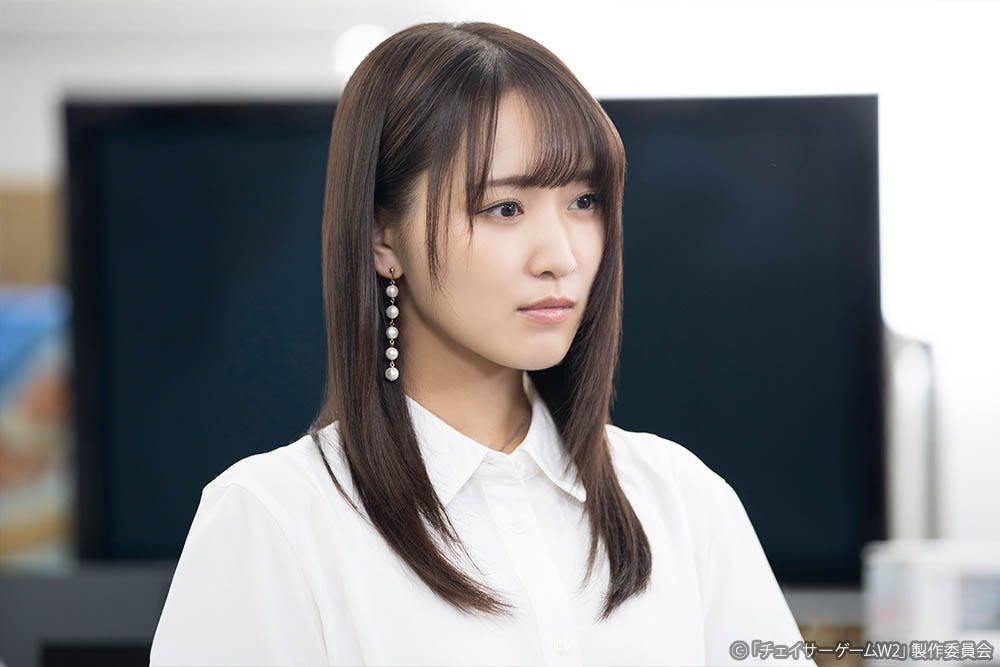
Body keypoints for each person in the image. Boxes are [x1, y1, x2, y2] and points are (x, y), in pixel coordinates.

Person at [149, 20, 815, 667]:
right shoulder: (274, 520)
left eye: (584, 202)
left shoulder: (682, 499)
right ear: (383, 237)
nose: (561, 256)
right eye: (505, 208)